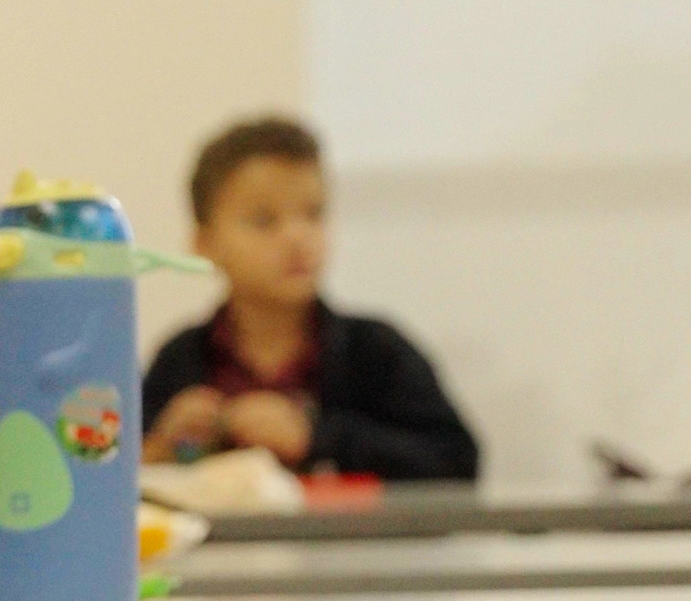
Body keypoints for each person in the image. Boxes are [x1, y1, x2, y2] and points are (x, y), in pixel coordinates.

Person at [139, 115, 479, 480]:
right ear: (204, 244)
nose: (297, 238)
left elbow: (459, 462)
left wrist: (317, 438)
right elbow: (116, 473)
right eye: (264, 220)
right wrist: (163, 447)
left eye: (313, 214)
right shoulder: (180, 360)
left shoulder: (375, 350)